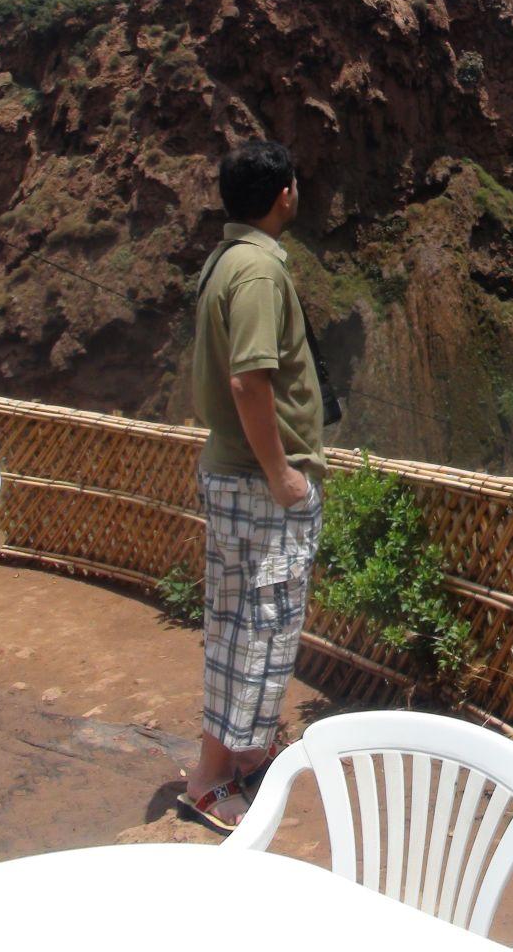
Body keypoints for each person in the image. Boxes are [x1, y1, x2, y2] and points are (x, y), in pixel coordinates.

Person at [181, 140, 326, 834]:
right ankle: (212, 777)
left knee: (237, 621)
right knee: (261, 629)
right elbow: (249, 381)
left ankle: (244, 751)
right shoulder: (261, 272)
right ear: (283, 195)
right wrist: (282, 473)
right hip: (259, 484)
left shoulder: (225, 260)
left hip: (232, 473)